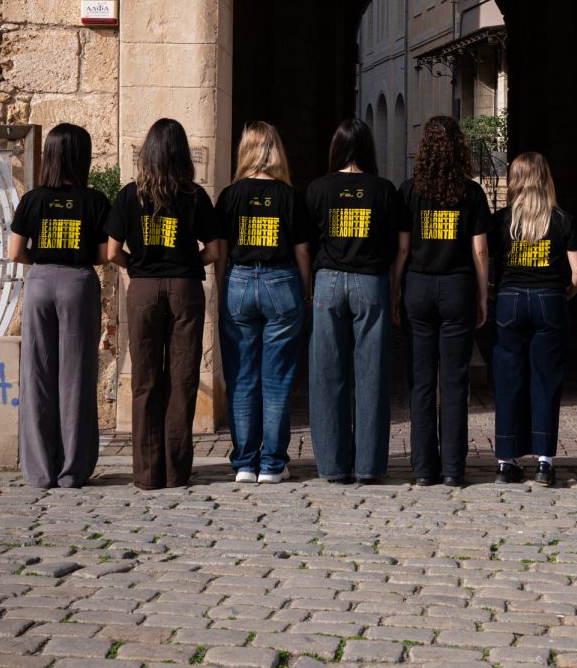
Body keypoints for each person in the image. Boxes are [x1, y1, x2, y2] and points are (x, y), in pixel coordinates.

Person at [106, 118, 219, 491]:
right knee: (182, 379)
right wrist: (186, 264)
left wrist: (138, 266)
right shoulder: (195, 195)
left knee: (145, 380)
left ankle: (147, 473)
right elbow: (214, 251)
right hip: (185, 289)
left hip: (143, 289)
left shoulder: (129, 195)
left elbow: (112, 252)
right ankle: (175, 471)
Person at [7, 122, 110, 490]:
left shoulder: (32, 199)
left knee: (37, 375)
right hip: (77, 283)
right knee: (76, 377)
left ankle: (39, 471)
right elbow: (104, 254)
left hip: (39, 282)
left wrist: (43, 259)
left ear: (49, 155)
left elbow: (15, 253)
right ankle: (71, 471)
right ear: (82, 158)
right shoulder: (95, 201)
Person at [306, 117, 407, 485]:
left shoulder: (318, 188)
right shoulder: (383, 190)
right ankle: (368, 466)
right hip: (371, 281)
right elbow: (399, 245)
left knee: (326, 376)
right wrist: (394, 290)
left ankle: (333, 466)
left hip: (328, 281)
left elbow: (308, 242)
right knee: (372, 377)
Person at [215, 121, 310, 486]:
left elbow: (221, 251)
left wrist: (224, 288)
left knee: (241, 377)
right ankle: (271, 464)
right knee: (277, 379)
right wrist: (305, 290)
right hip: (281, 282)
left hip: (239, 281)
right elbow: (302, 252)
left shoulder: (230, 196)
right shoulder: (290, 197)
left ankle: (244, 462)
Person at [399, 115, 490, 488]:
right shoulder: (471, 193)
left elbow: (402, 248)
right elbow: (480, 251)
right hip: (457, 288)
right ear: (458, 148)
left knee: (421, 383)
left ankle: (424, 469)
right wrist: (482, 295)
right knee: (454, 382)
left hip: (418, 288)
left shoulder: (409, 191)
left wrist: (394, 290)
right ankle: (453, 468)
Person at [491, 152, 577, 489]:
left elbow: (486, 261)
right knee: (546, 381)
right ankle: (544, 462)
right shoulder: (561, 219)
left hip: (509, 300)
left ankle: (506, 461)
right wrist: (562, 295)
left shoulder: (501, 221)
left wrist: (490, 291)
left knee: (508, 380)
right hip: (549, 299)